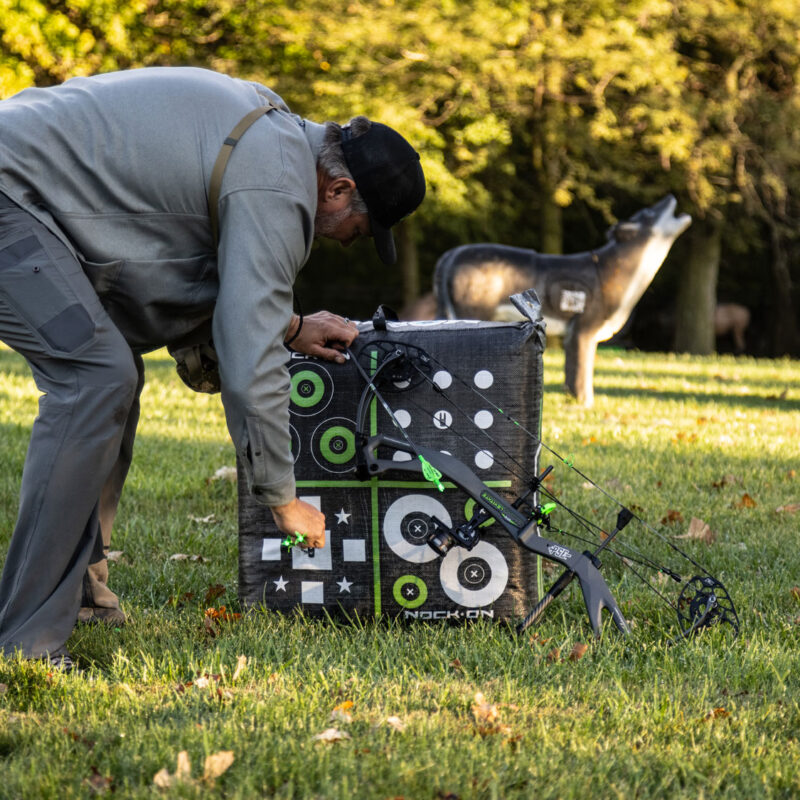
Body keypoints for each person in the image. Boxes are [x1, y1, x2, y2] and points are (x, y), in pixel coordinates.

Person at [0, 66, 426, 669]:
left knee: (109, 373)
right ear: (337, 188)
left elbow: (215, 282)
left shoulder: (275, 139)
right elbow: (250, 357)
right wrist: (283, 499)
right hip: (8, 199)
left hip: (22, 192)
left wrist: (295, 327)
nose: (350, 239)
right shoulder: (279, 186)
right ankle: (25, 642)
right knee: (94, 379)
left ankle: (80, 596)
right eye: (361, 226)